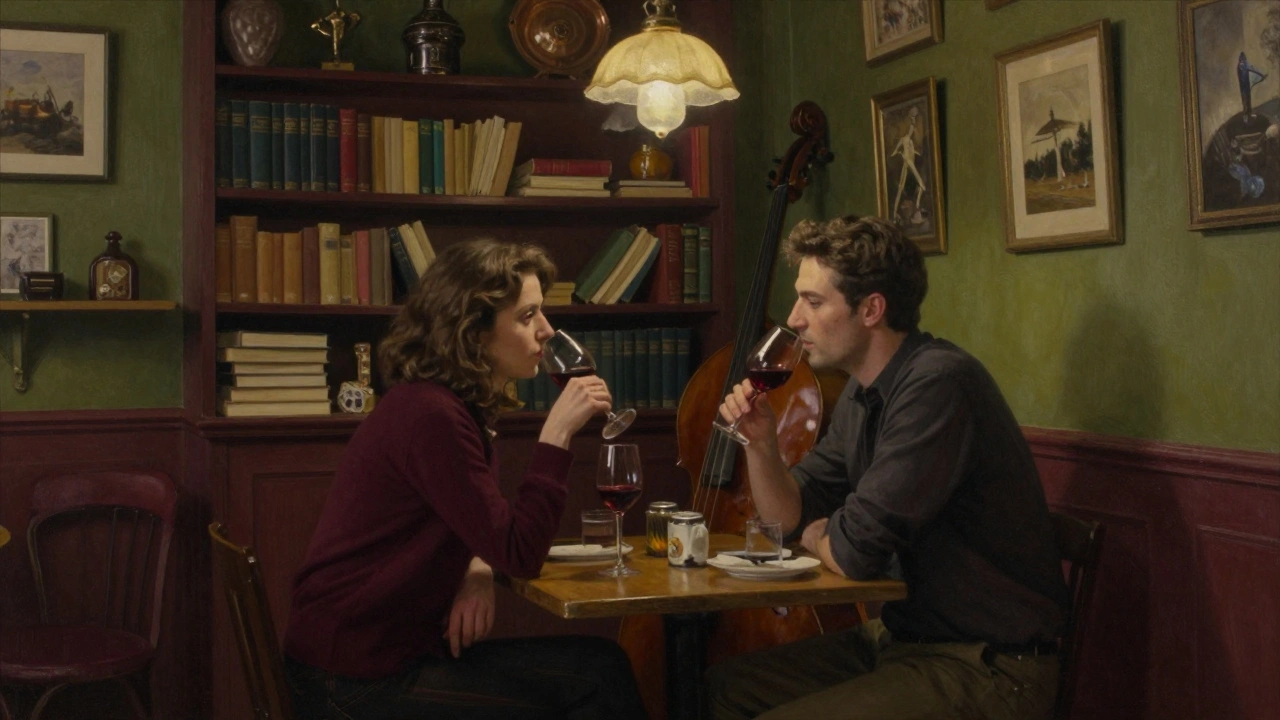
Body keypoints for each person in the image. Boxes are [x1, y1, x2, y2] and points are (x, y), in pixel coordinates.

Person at [707, 216, 1069, 720]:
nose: (794, 319)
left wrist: (822, 536)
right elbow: (788, 520)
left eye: (813, 301)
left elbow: (854, 552)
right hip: (905, 640)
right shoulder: (862, 390)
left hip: (987, 664)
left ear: (872, 308)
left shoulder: (938, 384)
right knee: (721, 688)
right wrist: (761, 446)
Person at [283, 238, 647, 720]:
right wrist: (557, 432)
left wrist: (476, 569)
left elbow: (478, 525)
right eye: (527, 316)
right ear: (473, 332)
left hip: (378, 657)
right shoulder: (432, 417)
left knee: (600, 668)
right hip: (353, 680)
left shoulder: (445, 406)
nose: (546, 331)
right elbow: (519, 553)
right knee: (597, 678)